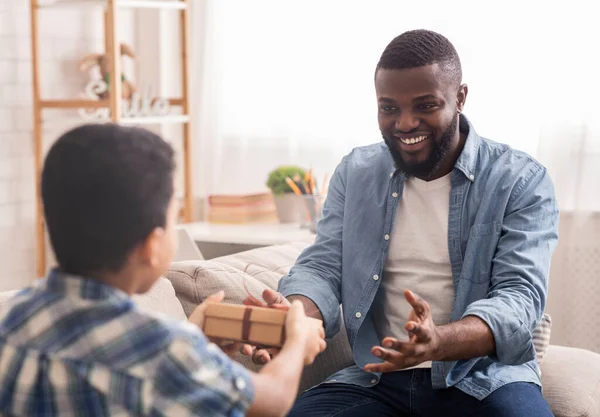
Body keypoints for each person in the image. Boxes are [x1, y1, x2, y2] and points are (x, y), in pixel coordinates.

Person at [243, 29, 559, 416]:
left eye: (425, 106)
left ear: (460, 98)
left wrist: (437, 341)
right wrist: (293, 315)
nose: (405, 123)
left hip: (482, 378)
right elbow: (323, 267)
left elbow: (519, 297)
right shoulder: (356, 172)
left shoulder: (520, 180)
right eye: (389, 107)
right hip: (378, 379)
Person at [0, 124, 326, 417]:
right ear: (151, 247)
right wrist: (297, 342)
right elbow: (270, 403)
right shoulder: (163, 350)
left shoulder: (10, 321)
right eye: (174, 216)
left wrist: (194, 338)